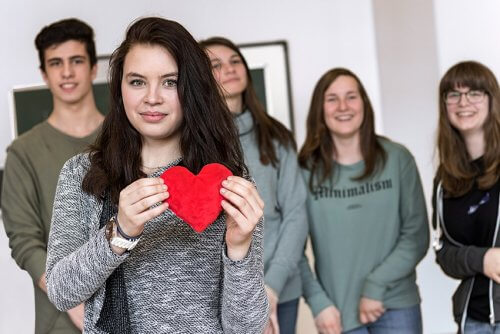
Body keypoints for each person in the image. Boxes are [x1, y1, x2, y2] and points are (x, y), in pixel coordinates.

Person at [45, 17, 269, 333]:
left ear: (192, 88)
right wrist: (119, 233)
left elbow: (246, 328)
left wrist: (239, 246)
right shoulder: (81, 173)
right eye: (137, 81)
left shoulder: (227, 182)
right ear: (119, 88)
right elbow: (61, 292)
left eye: (170, 82)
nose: (152, 97)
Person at [298, 68, 429, 334]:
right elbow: (292, 246)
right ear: (319, 110)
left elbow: (416, 235)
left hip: (395, 304)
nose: (343, 106)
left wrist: (375, 285)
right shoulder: (304, 171)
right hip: (337, 313)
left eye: (351, 97)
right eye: (332, 98)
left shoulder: (397, 158)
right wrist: (318, 302)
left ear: (364, 104)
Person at [200, 37, 308, 334]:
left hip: (280, 287)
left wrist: (270, 289)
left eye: (236, 61)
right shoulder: (194, 144)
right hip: (218, 294)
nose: (231, 69)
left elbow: (296, 214)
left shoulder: (276, 137)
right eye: (216, 65)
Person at [1, 18, 103, 333]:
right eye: (56, 63)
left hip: (132, 312)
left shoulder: (127, 139)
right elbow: (24, 241)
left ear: (94, 68)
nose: (67, 72)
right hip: (60, 320)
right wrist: (72, 301)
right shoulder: (23, 152)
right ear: (45, 74)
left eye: (76, 61)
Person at [432, 61, 500, 334]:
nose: (464, 102)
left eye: (474, 93)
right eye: (454, 94)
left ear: (491, 99)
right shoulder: (445, 178)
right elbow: (444, 252)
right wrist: (482, 259)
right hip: (473, 321)